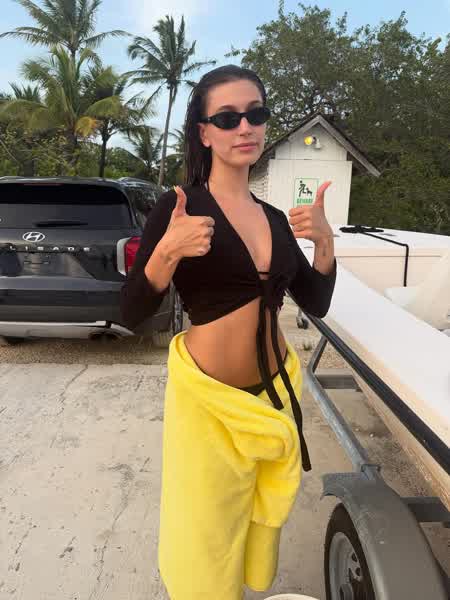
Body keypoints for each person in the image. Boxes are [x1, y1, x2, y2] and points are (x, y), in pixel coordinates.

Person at [120, 65, 337, 600]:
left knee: (258, 516)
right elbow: (130, 311)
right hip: (210, 404)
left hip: (271, 397)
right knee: (205, 539)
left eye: (256, 114)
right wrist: (167, 253)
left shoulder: (275, 218)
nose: (245, 127)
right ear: (204, 132)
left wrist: (326, 244)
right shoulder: (179, 207)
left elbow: (315, 301)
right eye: (228, 117)